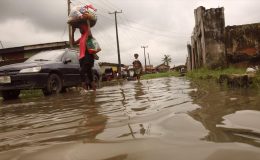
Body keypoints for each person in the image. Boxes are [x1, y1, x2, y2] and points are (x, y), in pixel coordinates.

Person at [72, 23, 96, 92]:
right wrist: (73, 32)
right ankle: (94, 91)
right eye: (79, 29)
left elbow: (90, 33)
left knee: (82, 72)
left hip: (88, 56)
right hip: (82, 58)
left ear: (85, 28)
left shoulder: (88, 35)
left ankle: (85, 91)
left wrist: (88, 23)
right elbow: (73, 43)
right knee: (90, 75)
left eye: (81, 28)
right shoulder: (81, 38)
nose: (80, 30)